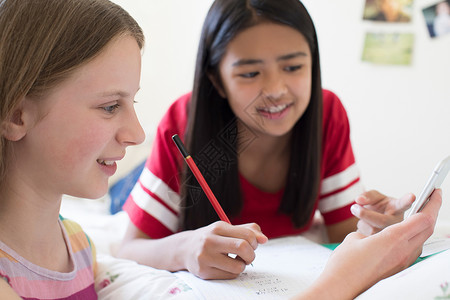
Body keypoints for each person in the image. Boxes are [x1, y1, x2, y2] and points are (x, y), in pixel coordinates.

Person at [118, 0, 415, 280]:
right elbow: (129, 248)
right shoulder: (184, 123)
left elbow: (345, 235)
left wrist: (376, 226)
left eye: (293, 67)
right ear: (217, 80)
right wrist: (184, 250)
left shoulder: (326, 116)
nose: (275, 89)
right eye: (250, 73)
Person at [0, 0, 145, 298]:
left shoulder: (79, 246)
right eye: (110, 106)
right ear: (16, 115)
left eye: (133, 103)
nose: (138, 134)